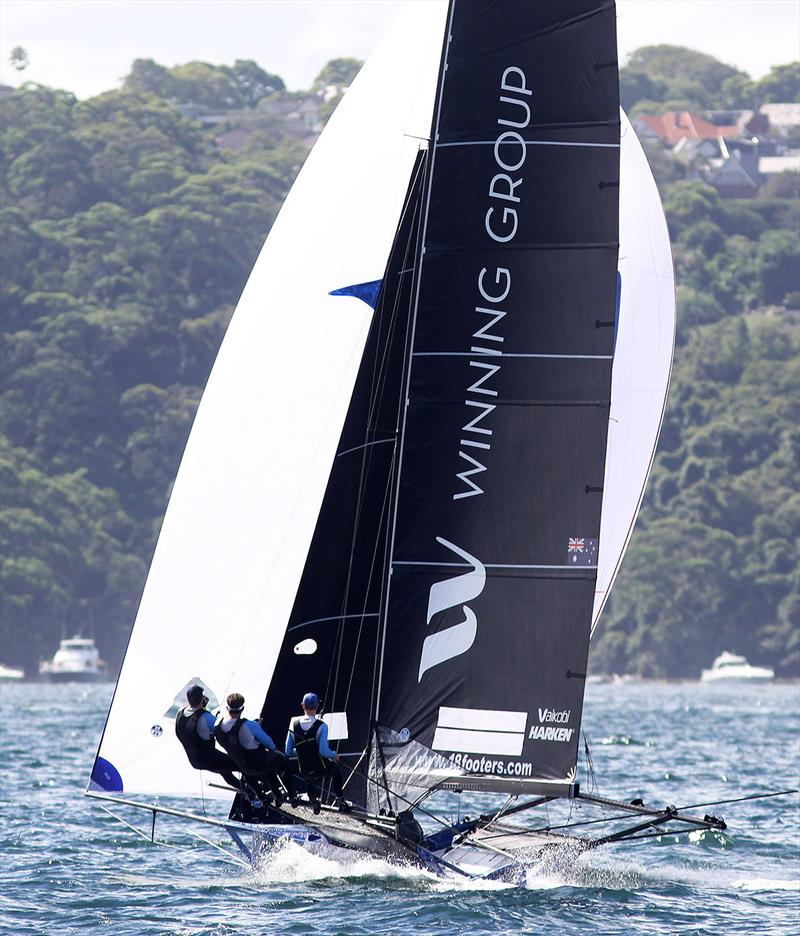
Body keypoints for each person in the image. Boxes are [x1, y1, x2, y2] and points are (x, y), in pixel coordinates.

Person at [215, 692, 295, 807]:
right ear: (242, 709)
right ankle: (292, 795)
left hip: (242, 767)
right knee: (281, 759)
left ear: (227, 708)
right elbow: (269, 744)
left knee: (265, 765)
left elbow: (233, 735)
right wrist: (256, 727)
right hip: (257, 765)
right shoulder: (250, 725)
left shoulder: (217, 726)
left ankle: (269, 796)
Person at [286, 692, 350, 814]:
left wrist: (301, 751)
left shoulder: (293, 726)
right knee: (335, 769)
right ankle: (341, 801)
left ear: (302, 705)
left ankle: (314, 800)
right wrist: (334, 754)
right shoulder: (322, 726)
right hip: (321, 767)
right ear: (317, 706)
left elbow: (288, 751)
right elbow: (323, 751)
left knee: (309, 776)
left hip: (304, 768)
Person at [175, 685, 239, 789]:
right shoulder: (206, 717)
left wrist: (202, 707)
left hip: (195, 761)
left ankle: (250, 794)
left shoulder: (180, 713)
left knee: (225, 771)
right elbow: (224, 731)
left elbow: (192, 727)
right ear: (201, 698)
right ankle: (258, 796)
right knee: (241, 765)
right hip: (209, 759)